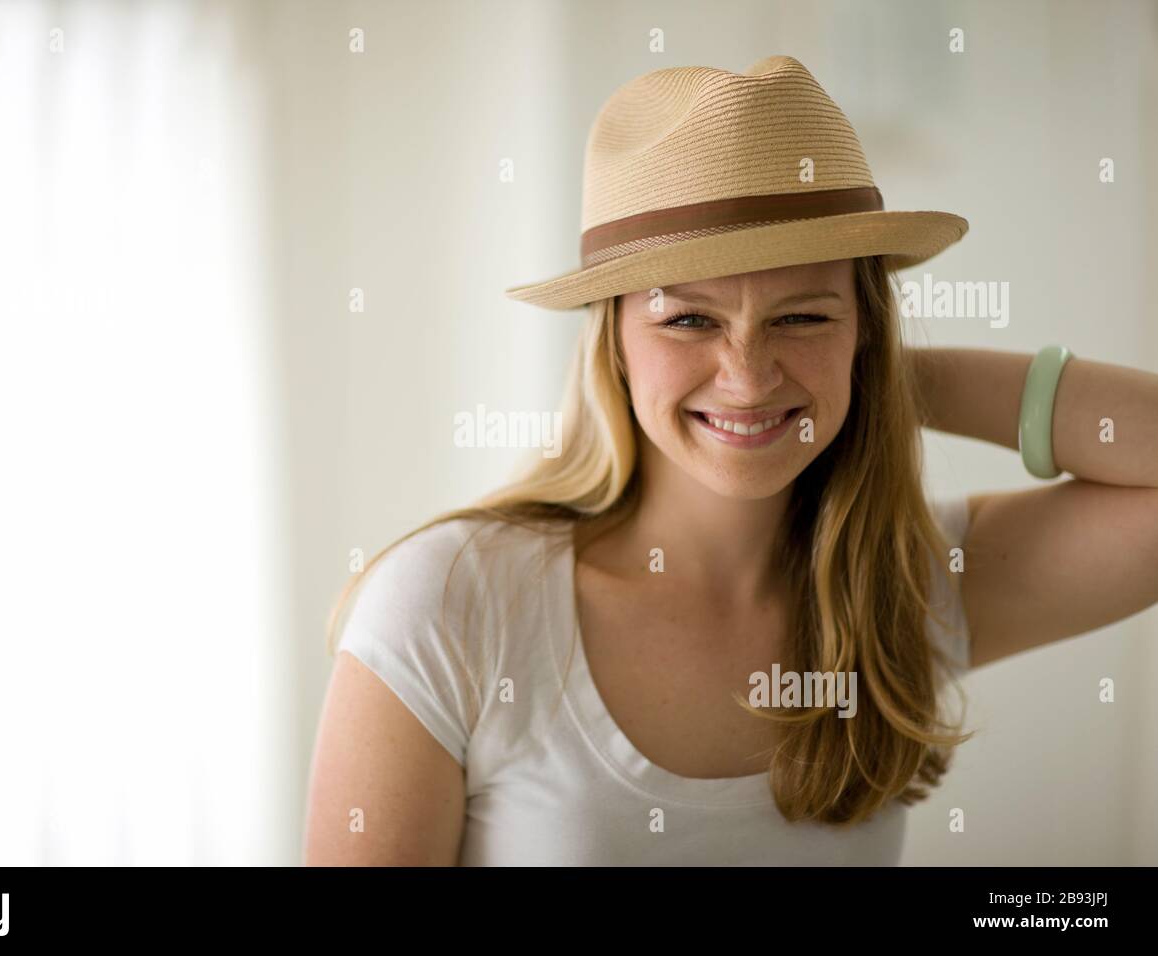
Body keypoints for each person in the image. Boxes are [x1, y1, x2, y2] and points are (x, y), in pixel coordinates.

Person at [302, 56, 1158, 866]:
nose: (748, 379)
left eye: (804, 317)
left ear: (868, 332)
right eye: (688, 321)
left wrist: (875, 382)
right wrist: (819, 363)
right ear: (614, 345)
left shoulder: (913, 582)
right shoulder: (451, 606)